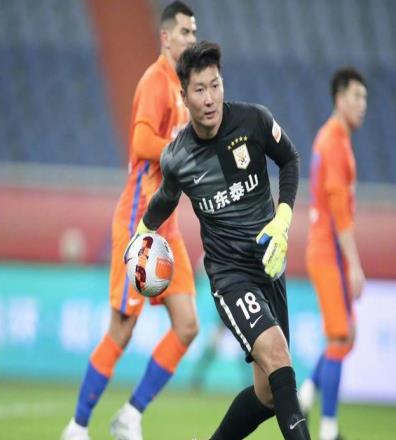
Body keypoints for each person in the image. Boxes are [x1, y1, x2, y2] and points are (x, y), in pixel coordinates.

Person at [130, 41, 311, 440]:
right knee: (278, 355)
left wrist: (283, 217)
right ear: (184, 96)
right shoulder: (178, 157)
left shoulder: (254, 122)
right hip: (231, 276)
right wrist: (143, 232)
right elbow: (166, 198)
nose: (210, 98)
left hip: (270, 265)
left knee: (268, 393)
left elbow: (290, 159)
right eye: (200, 89)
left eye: (215, 85)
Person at [61, 3, 198, 439]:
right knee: (122, 328)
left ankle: (131, 415)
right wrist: (182, 154)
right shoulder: (156, 81)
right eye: (184, 32)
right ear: (165, 36)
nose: (191, 39)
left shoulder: (182, 89)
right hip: (140, 223)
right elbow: (140, 141)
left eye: (194, 32)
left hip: (168, 226)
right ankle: (77, 426)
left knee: (187, 325)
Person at [298, 67, 367, 440]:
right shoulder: (335, 142)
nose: (362, 104)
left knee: (345, 336)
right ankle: (328, 429)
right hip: (329, 252)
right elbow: (339, 209)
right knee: (340, 337)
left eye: (364, 98)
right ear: (339, 99)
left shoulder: (330, 138)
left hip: (325, 250)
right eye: (356, 96)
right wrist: (354, 265)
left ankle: (306, 394)